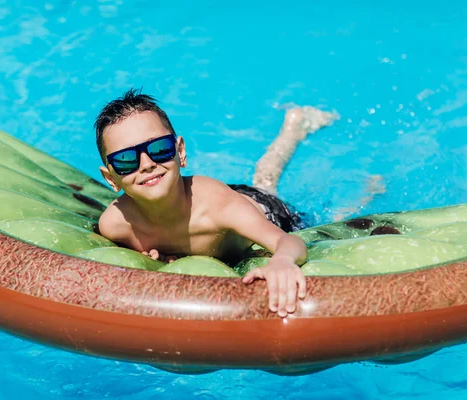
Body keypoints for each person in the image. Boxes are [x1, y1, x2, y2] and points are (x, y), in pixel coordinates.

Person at [95, 89, 337, 317]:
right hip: (224, 200)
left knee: (266, 182)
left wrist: (282, 261)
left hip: (264, 209)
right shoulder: (116, 225)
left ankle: (295, 128)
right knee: (263, 177)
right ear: (110, 178)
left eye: (159, 148)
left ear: (180, 152)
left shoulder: (216, 205)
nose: (146, 164)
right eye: (126, 160)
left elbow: (288, 241)